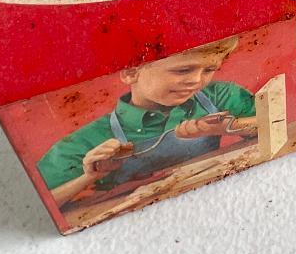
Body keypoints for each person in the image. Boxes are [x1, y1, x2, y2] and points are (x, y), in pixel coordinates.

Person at [37, 37, 257, 207]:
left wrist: (229, 126)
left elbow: (277, 121)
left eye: (208, 69)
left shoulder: (219, 96)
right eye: (183, 70)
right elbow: (47, 205)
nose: (196, 81)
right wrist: (89, 177)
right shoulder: (83, 142)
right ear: (131, 72)